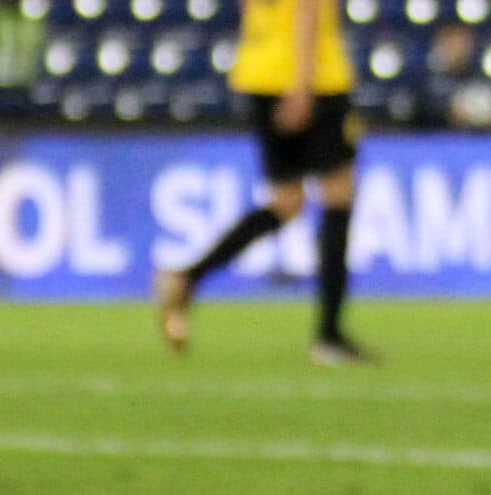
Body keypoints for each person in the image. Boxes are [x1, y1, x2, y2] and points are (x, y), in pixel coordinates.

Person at [154, 0, 375, 365]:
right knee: (338, 193)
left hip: (260, 69)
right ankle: (329, 336)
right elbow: (307, 9)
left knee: (287, 201)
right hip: (311, 77)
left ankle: (187, 278)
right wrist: (302, 85)